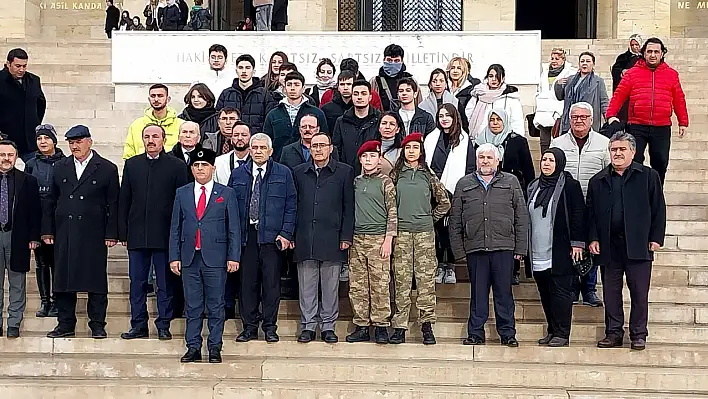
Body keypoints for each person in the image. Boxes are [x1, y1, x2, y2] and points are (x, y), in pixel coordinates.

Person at [587, 132, 666, 351]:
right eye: (614, 149)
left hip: (639, 244)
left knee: (639, 293)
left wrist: (656, 238)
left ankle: (639, 334)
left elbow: (658, 208)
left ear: (633, 152)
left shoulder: (649, 176)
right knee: (611, 293)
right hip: (609, 245)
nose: (618, 153)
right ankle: (613, 333)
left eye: (622, 149)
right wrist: (593, 237)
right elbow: (591, 213)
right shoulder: (598, 180)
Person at [43, 126, 120, 339]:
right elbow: (50, 200)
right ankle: (65, 324)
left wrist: (112, 233)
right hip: (65, 231)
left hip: (94, 233)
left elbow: (114, 204)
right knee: (64, 279)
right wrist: (47, 230)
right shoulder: (60, 167)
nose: (74, 146)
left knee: (95, 280)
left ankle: (97, 324)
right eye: (71, 142)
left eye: (78, 141)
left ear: (89, 142)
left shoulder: (106, 168)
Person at [449, 143, 528, 347]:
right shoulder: (464, 184)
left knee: (504, 294)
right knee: (478, 294)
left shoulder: (511, 182)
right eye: (481, 157)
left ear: (497, 160)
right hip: (475, 249)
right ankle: (475, 333)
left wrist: (520, 249)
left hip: (504, 248)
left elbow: (521, 216)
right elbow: (455, 218)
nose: (485, 161)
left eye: (489, 158)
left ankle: (507, 333)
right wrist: (459, 251)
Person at [169, 148, 241, 363]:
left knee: (216, 304)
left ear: (213, 168)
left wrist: (233, 256)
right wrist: (174, 256)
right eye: (196, 166)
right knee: (192, 305)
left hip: (216, 258)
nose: (200, 169)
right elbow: (175, 227)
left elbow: (234, 228)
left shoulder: (225, 193)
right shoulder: (182, 193)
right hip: (190, 257)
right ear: (191, 169)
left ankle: (215, 347)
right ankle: (193, 347)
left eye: (204, 165)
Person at [119, 125, 189, 341]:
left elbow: (182, 203)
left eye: (155, 136)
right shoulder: (132, 164)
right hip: (137, 235)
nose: (151, 140)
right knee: (137, 283)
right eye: (147, 136)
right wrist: (123, 231)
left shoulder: (177, 166)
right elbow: (124, 200)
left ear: (163, 139)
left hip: (165, 235)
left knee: (165, 285)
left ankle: (164, 325)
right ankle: (138, 325)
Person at [228, 133, 296, 343]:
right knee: (247, 285)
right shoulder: (238, 174)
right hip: (246, 238)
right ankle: (249, 327)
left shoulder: (283, 173)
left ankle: (269, 327)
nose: (257, 151)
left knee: (271, 285)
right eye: (254, 148)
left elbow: (291, 205)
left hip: (272, 239)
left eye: (262, 148)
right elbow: (230, 207)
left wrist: (286, 233)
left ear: (270, 151)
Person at [292, 132, 354, 343]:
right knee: (307, 285)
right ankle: (308, 326)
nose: (318, 149)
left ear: (330, 148)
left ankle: (328, 326)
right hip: (305, 237)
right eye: (314, 145)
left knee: (330, 286)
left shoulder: (344, 172)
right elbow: (293, 205)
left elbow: (349, 206)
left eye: (322, 145)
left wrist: (346, 235)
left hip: (333, 236)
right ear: (309, 149)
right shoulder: (299, 172)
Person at [389, 133, 450, 345]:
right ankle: (399, 327)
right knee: (402, 281)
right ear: (403, 151)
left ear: (421, 151)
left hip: (424, 235)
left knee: (425, 282)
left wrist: (429, 219)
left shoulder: (428, 174)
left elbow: (444, 202)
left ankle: (426, 325)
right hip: (402, 235)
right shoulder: (396, 175)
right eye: (408, 148)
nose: (411, 151)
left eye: (415, 147)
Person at [606, 37, 689, 184]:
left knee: (661, 163)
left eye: (656, 52)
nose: (652, 55)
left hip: (662, 126)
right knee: (634, 162)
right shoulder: (632, 73)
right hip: (637, 125)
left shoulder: (672, 74)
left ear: (662, 53)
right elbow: (619, 95)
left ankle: (656, 194)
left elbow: (679, 98)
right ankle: (636, 193)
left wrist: (683, 121)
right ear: (643, 53)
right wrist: (611, 115)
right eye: (649, 51)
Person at [550, 102, 609, 306]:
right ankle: (573, 287)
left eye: (584, 117)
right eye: (575, 117)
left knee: (591, 247)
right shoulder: (557, 143)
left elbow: (609, 174)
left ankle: (590, 289)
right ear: (569, 119)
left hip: (594, 205)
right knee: (570, 246)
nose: (579, 121)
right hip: (567, 204)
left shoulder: (604, 143)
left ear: (591, 120)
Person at [527, 148, 585, 347]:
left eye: (551, 160)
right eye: (544, 159)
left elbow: (578, 214)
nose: (547, 163)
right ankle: (552, 330)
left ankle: (562, 333)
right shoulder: (534, 186)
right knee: (544, 292)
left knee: (560, 292)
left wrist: (577, 243)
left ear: (559, 163)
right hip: (537, 249)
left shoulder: (570, 185)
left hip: (559, 249)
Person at [474, 108, 535, 284]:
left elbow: (528, 169)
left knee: (511, 229)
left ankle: (514, 269)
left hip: (510, 191)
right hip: (484, 192)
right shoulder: (480, 141)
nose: (494, 123)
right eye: (491, 119)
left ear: (505, 121)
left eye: (498, 120)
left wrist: (528, 192)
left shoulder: (518, 141)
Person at [346, 140, 397, 344]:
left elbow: (392, 211)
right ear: (360, 159)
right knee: (358, 285)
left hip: (378, 239)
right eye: (365, 157)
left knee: (380, 284)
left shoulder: (386, 182)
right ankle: (362, 325)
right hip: (358, 239)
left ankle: (381, 325)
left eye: (372, 156)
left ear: (379, 159)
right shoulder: (356, 182)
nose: (369, 160)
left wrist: (388, 239)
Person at [423, 103, 475, 284]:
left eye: (448, 115)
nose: (444, 119)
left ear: (455, 117)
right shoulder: (430, 138)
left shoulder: (464, 139)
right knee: (437, 231)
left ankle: (450, 266)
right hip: (433, 191)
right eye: (441, 116)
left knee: (451, 230)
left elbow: (469, 167)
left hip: (455, 191)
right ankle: (438, 265)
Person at [0, 140, 41, 338]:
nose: (6, 159)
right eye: (2, 155)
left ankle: (14, 323)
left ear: (16, 157)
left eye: (10, 155)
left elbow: (35, 212)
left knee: (17, 282)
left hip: (17, 237)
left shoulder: (28, 181)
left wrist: (34, 237)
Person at [24, 124, 65, 318]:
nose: (43, 142)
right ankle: (44, 301)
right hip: (38, 218)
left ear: (54, 141)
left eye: (46, 138)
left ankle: (57, 299)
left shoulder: (65, 162)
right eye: (39, 139)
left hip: (58, 218)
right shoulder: (32, 163)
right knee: (41, 262)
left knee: (57, 261)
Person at [264, 71, 328, 161]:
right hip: (279, 163)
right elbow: (266, 141)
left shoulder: (317, 113)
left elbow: (325, 139)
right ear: (284, 88)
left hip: (310, 163)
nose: (292, 88)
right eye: (289, 84)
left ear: (303, 88)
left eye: (296, 85)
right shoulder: (273, 114)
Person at [0, 48, 46, 162]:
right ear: (8, 64)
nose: (21, 69)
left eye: (24, 66)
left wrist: (34, 123)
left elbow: (40, 104)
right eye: (18, 66)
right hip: (5, 139)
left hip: (29, 141)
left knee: (34, 172)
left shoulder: (33, 80)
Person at [217, 53, 276, 135]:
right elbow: (218, 120)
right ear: (236, 71)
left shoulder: (264, 95)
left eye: (247, 68)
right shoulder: (226, 94)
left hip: (256, 143)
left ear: (253, 71)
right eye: (241, 68)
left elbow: (270, 121)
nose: (244, 71)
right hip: (231, 141)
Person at [332, 80, 381, 174]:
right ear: (352, 96)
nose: (359, 97)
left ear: (370, 97)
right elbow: (336, 149)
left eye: (363, 93)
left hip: (373, 174)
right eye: (356, 94)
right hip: (346, 173)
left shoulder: (379, 120)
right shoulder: (341, 121)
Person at [534, 48, 577, 153]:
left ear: (563, 60)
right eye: (552, 58)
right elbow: (540, 90)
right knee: (544, 143)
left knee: (557, 141)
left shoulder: (569, 73)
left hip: (557, 113)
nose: (554, 61)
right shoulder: (544, 73)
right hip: (543, 113)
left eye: (557, 59)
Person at [555, 51, 609, 134]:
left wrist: (608, 117)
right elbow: (560, 97)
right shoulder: (570, 80)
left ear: (593, 64)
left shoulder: (598, 81)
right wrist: (558, 85)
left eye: (588, 61)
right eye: (582, 61)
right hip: (569, 122)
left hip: (588, 122)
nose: (584, 63)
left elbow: (604, 102)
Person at [124, 84, 183, 160]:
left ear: (168, 99)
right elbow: (129, 154)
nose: (156, 99)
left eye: (160, 96)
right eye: (153, 96)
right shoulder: (136, 125)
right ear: (149, 99)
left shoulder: (181, 125)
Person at [466, 64, 524, 139]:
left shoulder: (511, 98)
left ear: (503, 78)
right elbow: (468, 115)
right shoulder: (478, 94)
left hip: (503, 141)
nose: (494, 79)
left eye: (497, 76)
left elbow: (517, 122)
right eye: (491, 76)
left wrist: (518, 142)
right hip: (480, 140)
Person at [369, 44, 419, 112]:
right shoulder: (375, 81)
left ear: (402, 61)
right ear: (384, 60)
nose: (392, 63)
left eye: (396, 61)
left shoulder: (411, 79)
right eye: (389, 60)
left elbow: (419, 103)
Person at [610, 34, 643, 123]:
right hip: (626, 92)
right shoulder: (623, 57)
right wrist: (623, 71)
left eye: (636, 45)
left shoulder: (644, 58)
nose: (634, 47)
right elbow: (615, 70)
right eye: (632, 45)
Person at [447, 57, 480, 132]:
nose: (455, 71)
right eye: (452, 68)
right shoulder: (445, 88)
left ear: (465, 71)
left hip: (463, 130)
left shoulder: (471, 91)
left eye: (459, 68)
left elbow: (470, 115)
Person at [321, 70, 355, 135]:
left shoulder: (360, 108)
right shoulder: (326, 109)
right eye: (342, 84)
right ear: (338, 87)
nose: (345, 88)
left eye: (349, 84)